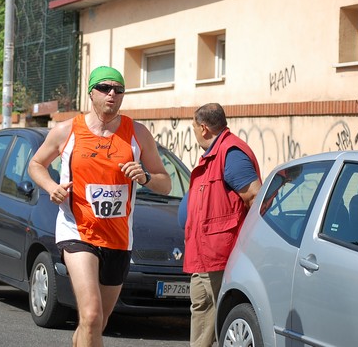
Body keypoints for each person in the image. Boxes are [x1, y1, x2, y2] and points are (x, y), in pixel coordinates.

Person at [28, 65, 171, 347]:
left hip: (118, 238)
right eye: (105, 88)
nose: (112, 95)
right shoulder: (66, 131)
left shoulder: (137, 134)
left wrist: (144, 176)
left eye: (118, 90)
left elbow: (165, 183)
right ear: (91, 92)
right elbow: (36, 165)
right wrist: (52, 188)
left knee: (97, 323)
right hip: (77, 231)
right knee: (91, 315)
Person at [184, 103, 262, 347]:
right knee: (204, 310)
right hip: (206, 254)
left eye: (195, 127)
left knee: (214, 315)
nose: (195, 132)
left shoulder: (231, 154)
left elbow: (255, 197)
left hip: (220, 255)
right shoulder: (216, 153)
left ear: (204, 128)